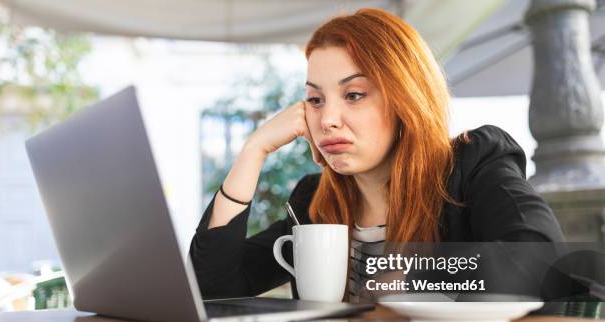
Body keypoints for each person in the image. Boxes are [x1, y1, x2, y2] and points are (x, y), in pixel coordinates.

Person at [189, 8, 564, 302]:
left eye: (353, 95)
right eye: (316, 100)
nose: (327, 120)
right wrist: (254, 150)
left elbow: (539, 258)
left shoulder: (472, 164)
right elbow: (214, 287)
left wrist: (410, 275)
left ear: (405, 99)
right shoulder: (312, 200)